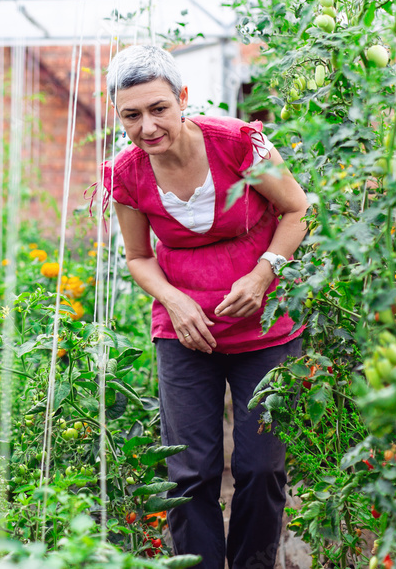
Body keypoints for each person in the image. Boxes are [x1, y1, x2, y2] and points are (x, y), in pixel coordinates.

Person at [98, 45, 308, 569]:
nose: (147, 126)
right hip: (186, 330)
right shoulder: (127, 173)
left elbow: (298, 211)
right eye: (131, 115)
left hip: (263, 324)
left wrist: (262, 276)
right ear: (119, 116)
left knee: (260, 468)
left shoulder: (237, 145)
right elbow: (140, 257)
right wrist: (173, 300)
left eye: (158, 109)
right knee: (190, 470)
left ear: (183, 99)